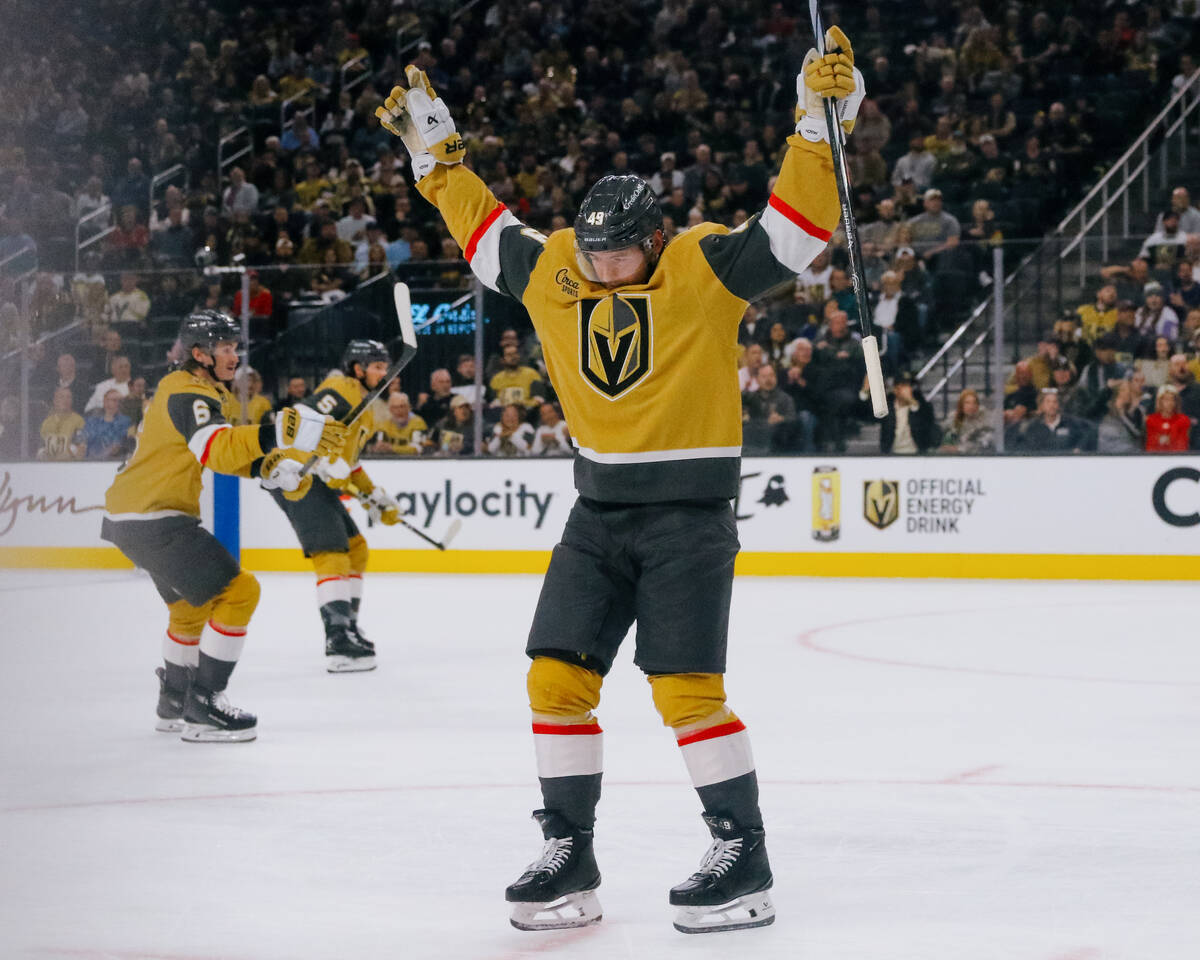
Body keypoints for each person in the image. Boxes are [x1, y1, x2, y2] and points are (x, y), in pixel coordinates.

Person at [377, 27, 864, 933]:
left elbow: (796, 234)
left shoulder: (702, 269)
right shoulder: (556, 268)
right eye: (594, 257)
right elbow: (486, 232)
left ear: (653, 239)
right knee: (554, 680)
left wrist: (816, 124)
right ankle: (570, 851)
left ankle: (742, 852)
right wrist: (435, 158)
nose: (603, 271)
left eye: (619, 257)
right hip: (597, 515)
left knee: (685, 692)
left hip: (687, 517)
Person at [100, 311, 346, 741]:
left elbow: (228, 453)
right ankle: (205, 703)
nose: (236, 355)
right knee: (240, 591)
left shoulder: (204, 392)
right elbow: (213, 448)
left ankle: (174, 699)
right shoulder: (186, 391)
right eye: (226, 348)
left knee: (189, 607)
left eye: (236, 347)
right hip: (154, 516)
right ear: (200, 354)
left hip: (133, 516)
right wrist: (279, 434)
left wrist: (271, 468)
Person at [269, 339, 403, 672]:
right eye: (376, 367)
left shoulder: (367, 409)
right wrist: (319, 460)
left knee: (356, 549)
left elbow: (350, 465)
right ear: (357, 368)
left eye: (385, 367)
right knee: (332, 553)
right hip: (295, 475)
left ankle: (348, 627)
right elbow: (300, 417)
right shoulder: (342, 387)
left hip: (315, 479)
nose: (383, 374)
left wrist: (375, 496)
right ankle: (338, 641)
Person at [879, 372, 939, 454]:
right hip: (892, 455)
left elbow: (928, 422)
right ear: (895, 389)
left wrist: (912, 403)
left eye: (910, 386)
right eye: (904, 386)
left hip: (916, 454)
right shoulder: (887, 405)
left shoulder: (922, 405)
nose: (908, 389)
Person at [940, 388, 993, 454]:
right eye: (967, 403)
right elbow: (942, 436)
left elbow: (984, 444)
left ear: (978, 405)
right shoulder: (953, 419)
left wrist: (959, 449)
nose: (971, 406)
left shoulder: (985, 422)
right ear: (961, 405)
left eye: (974, 403)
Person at [38, 387, 85, 460]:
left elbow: (81, 448)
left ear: (72, 401)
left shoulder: (79, 420)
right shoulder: (46, 422)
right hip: (48, 464)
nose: (65, 400)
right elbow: (40, 449)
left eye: (68, 397)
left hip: (70, 463)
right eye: (61, 397)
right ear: (55, 401)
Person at [1145, 385, 1190, 452]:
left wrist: (1167, 440)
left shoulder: (1183, 420)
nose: (1170, 403)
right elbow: (1150, 447)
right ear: (1160, 401)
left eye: (1173, 399)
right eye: (1166, 399)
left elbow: (1182, 446)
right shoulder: (1151, 420)